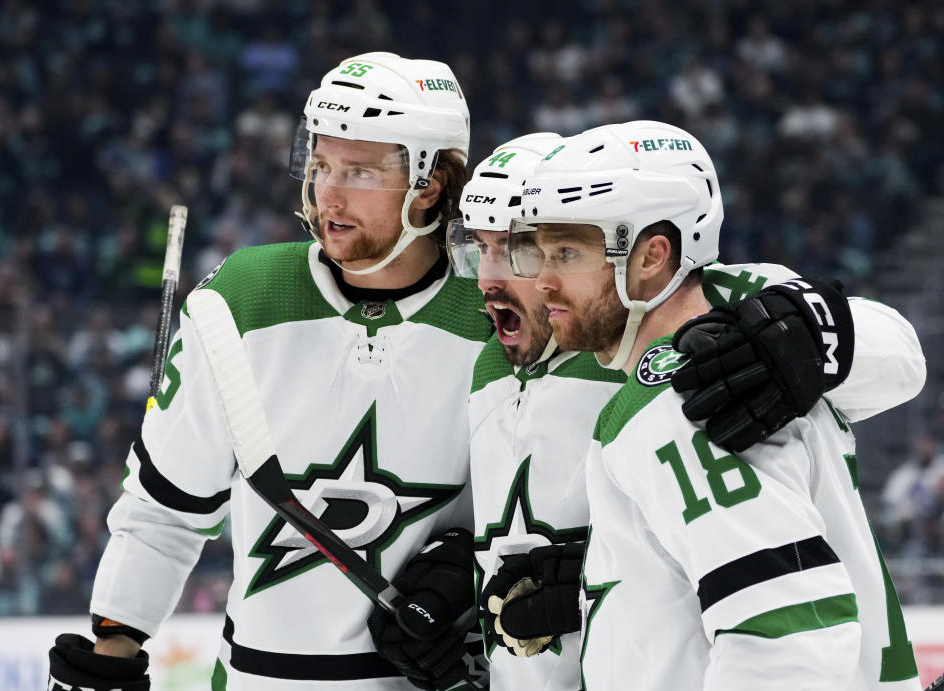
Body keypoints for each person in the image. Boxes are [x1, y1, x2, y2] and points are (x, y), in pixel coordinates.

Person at [414, 131, 925, 690]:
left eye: (564, 252)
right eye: (520, 250)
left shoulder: (692, 386)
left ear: (653, 256)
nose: (534, 279)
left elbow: (785, 640)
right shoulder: (526, 367)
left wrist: (811, 333)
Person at [48, 52, 490, 691]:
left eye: (360, 172)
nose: (327, 193)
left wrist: (472, 576)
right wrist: (114, 648)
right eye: (320, 164)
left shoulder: (504, 315)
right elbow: (164, 510)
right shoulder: (243, 299)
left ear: (432, 184)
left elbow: (561, 519)